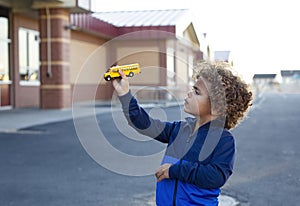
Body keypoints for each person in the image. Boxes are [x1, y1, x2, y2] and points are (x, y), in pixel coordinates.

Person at [112, 61, 252, 206]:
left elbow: (215, 176)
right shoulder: (179, 129)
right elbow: (145, 124)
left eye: (197, 92)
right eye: (193, 88)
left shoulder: (223, 139)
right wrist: (125, 95)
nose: (190, 93)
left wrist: (174, 170)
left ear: (217, 107)